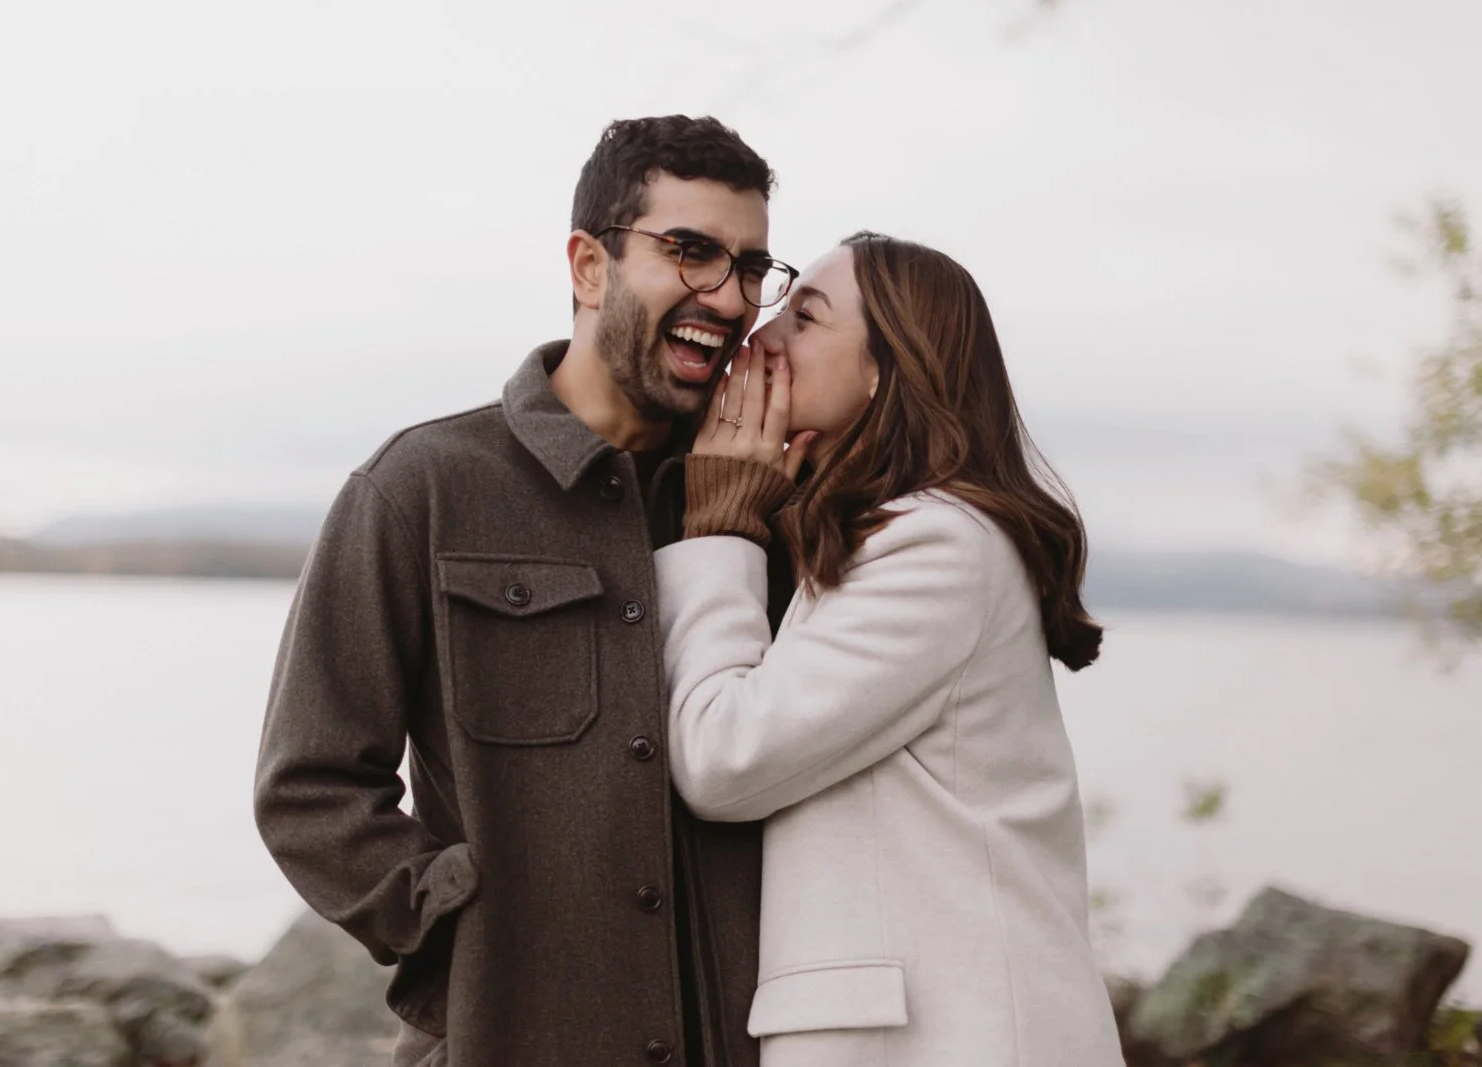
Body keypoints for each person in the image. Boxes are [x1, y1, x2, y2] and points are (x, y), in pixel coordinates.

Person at [253, 115, 801, 1067]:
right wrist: (459, 924)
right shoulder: (421, 487)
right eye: (689, 252)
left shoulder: (762, 502)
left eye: (751, 266)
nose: (728, 295)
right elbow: (309, 786)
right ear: (589, 266)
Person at [654, 232, 1126, 1066]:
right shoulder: (879, 536)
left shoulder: (936, 543)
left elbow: (724, 758)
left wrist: (719, 523)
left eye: (806, 319)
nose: (760, 337)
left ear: (885, 370)